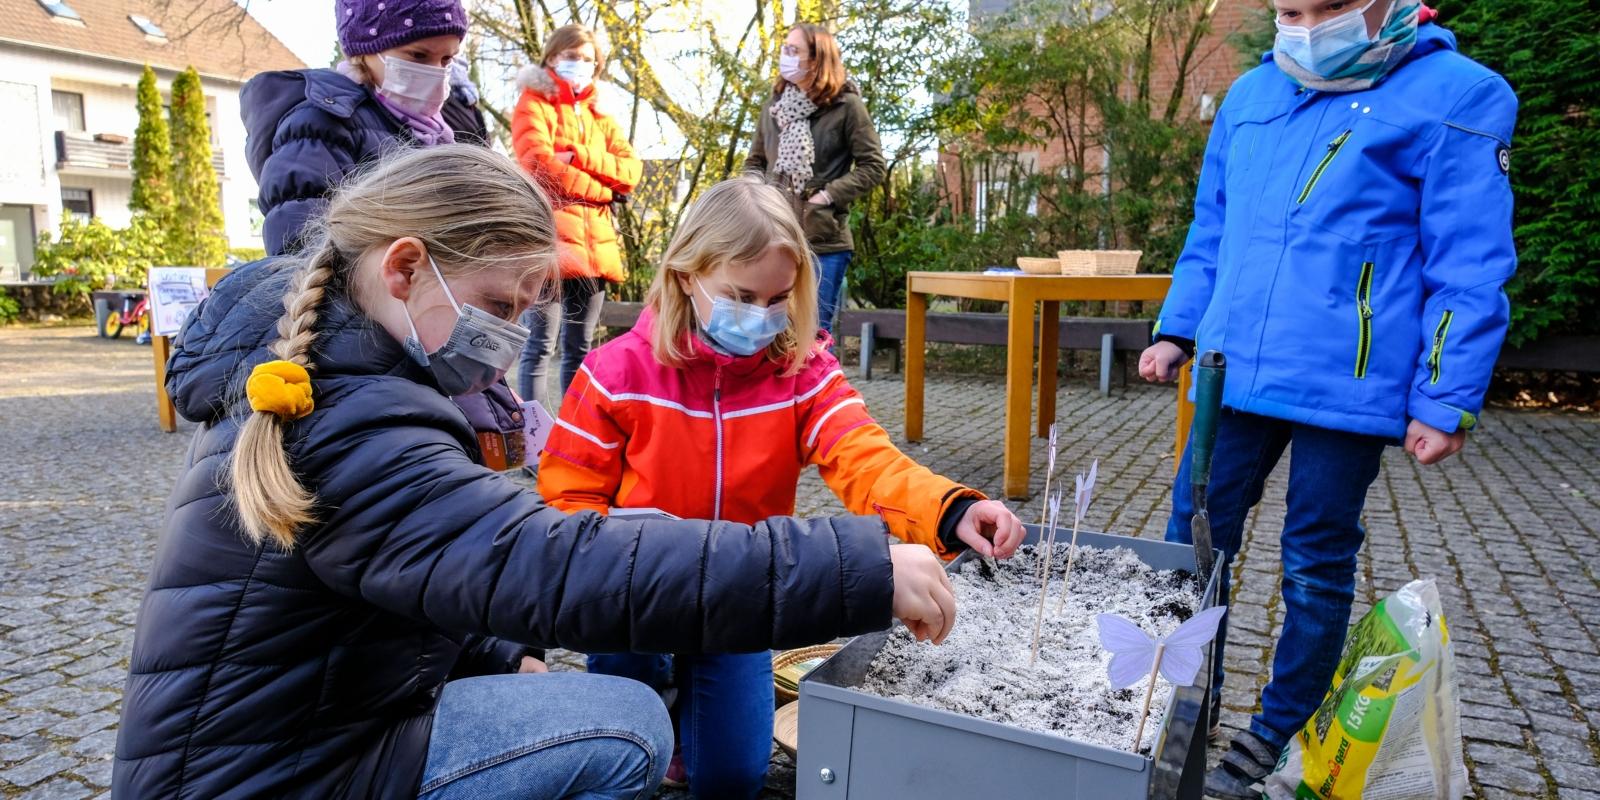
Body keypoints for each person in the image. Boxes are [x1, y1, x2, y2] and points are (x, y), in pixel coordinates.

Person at [113, 145, 959, 799]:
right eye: (498, 307)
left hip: (304, 736)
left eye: (524, 312)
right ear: (405, 267)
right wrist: (856, 564)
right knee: (625, 722)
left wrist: (497, 651)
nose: (511, 339)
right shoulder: (353, 421)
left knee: (711, 758)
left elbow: (418, 568)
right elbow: (544, 557)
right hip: (275, 774)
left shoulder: (343, 377)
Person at [538, 176, 1025, 798]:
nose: (762, 317)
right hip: (638, 591)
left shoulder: (801, 370)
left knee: (735, 776)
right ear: (688, 274)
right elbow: (568, 504)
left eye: (777, 299)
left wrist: (950, 508)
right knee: (635, 744)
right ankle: (661, 715)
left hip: (739, 594)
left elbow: (865, 458)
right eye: (742, 296)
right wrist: (600, 591)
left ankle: (695, 728)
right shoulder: (614, 375)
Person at [1137, 2, 1517, 796]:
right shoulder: (1250, 96)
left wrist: (1444, 397)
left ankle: (1281, 726)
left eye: (1327, 10)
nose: (1305, 26)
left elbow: (1470, 260)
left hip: (1348, 383)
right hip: (1230, 370)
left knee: (1314, 558)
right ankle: (1173, 699)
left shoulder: (1459, 95)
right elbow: (1212, 230)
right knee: (1190, 541)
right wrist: (1177, 329)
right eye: (1289, 11)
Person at [242, 0, 531, 470]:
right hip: (370, 336)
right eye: (418, 57)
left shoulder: (446, 131)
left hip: (429, 323)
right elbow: (300, 241)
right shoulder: (321, 121)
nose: (435, 74)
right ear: (365, 49)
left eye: (447, 59)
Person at [511, 24, 641, 407]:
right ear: (552, 57)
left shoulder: (601, 115)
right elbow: (538, 164)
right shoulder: (533, 102)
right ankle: (534, 444)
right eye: (572, 57)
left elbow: (630, 172)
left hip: (595, 249)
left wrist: (580, 157)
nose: (581, 65)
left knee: (582, 349)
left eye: (588, 59)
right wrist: (603, 189)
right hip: (550, 244)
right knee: (539, 346)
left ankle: (575, 438)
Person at [744, 23, 885, 335]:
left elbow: (873, 166)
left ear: (816, 59)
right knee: (770, 333)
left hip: (823, 241)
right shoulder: (774, 106)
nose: (786, 57)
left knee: (811, 337)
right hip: (773, 235)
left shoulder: (846, 106)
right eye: (784, 49)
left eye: (794, 51)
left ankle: (815, 386)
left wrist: (827, 195)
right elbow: (754, 162)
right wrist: (754, 200)